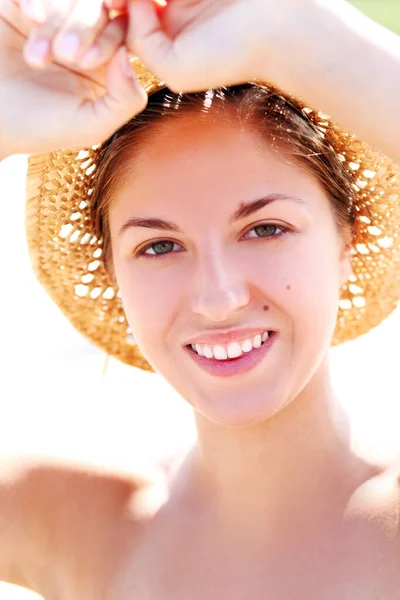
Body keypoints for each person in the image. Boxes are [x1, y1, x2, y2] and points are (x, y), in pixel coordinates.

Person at [1, 0, 400, 597]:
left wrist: (302, 32)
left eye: (265, 229)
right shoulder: (70, 517)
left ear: (349, 238)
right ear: (113, 271)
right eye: (160, 246)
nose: (218, 298)